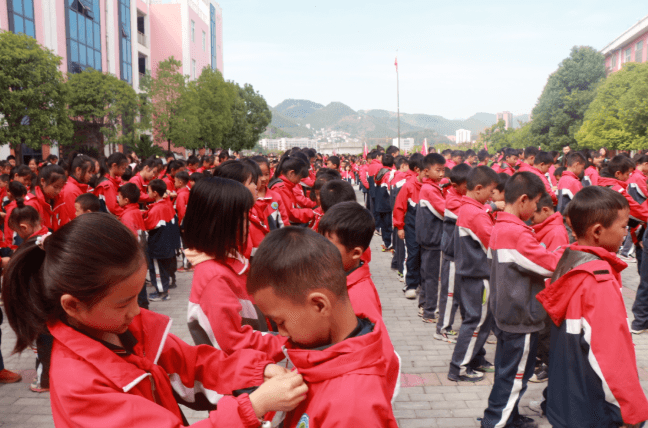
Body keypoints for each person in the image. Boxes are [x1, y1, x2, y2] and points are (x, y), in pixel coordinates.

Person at [1, 213, 308, 427]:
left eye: (138, 296)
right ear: (73, 306)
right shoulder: (79, 385)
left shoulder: (123, 326)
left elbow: (193, 362)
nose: (137, 311)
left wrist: (259, 370)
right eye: (124, 302)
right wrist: (252, 408)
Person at [247, 227, 400, 427]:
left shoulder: (352, 411)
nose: (282, 334)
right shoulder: (322, 354)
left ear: (319, 305)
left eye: (281, 322)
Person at [536, 186, 648, 427]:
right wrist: (632, 410)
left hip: (565, 399)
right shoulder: (599, 280)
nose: (626, 233)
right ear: (598, 231)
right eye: (623, 226)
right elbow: (611, 354)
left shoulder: (568, 262)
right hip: (591, 407)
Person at [481, 172, 559, 428]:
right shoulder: (516, 233)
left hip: (506, 313)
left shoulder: (500, 226)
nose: (537, 207)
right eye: (536, 202)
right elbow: (549, 265)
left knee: (510, 373)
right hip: (520, 316)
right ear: (524, 200)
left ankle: (509, 417)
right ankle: (496, 422)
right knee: (514, 377)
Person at [183, 177, 286, 362]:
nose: (248, 222)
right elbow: (234, 343)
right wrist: (288, 343)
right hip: (242, 378)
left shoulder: (228, 263)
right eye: (244, 216)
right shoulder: (214, 278)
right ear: (221, 223)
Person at [318, 201, 402, 402]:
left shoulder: (358, 298)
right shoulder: (341, 279)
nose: (318, 251)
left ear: (355, 253)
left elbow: (367, 355)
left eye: (327, 246)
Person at [447, 166, 500, 382]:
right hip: (478, 276)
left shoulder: (470, 209)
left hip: (469, 273)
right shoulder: (476, 214)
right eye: (491, 192)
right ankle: (458, 368)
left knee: (476, 320)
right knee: (476, 321)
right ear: (478, 189)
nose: (492, 197)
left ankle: (471, 360)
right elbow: (494, 244)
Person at [528, 192, 569, 385]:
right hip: (540, 292)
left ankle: (550, 367)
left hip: (548, 293)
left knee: (546, 335)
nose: (531, 219)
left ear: (545, 210)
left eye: (534, 215)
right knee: (541, 333)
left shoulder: (556, 232)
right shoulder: (543, 228)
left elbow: (556, 266)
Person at [435, 163, 471, 343]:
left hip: (462, 255)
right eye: (467, 185)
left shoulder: (463, 198)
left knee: (461, 293)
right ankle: (442, 328)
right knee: (450, 294)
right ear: (456, 185)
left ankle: (462, 325)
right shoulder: (453, 200)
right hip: (452, 254)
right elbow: (469, 214)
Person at [415, 153, 446, 322]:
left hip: (427, 238)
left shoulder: (429, 187)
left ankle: (424, 306)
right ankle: (429, 311)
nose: (442, 174)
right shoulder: (430, 190)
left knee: (427, 274)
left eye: (443, 170)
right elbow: (445, 210)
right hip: (432, 239)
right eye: (438, 170)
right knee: (432, 277)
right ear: (426, 171)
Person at [393, 153, 425, 299]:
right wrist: (400, 227)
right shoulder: (409, 186)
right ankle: (410, 284)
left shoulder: (432, 187)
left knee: (424, 256)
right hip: (411, 227)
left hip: (427, 229)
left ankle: (422, 283)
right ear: (419, 170)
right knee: (413, 254)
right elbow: (399, 207)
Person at [144, 179, 181, 302]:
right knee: (163, 269)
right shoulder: (167, 204)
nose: (147, 193)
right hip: (168, 244)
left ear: (155, 193)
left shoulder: (156, 209)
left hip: (158, 246)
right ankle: (163, 290)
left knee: (157, 270)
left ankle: (162, 293)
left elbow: (148, 225)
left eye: (148, 190)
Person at [269, 155, 314, 226]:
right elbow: (289, 213)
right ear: (291, 173)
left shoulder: (286, 185)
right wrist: (313, 213)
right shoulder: (280, 188)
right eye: (299, 178)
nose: (299, 181)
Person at [250, 156, 289, 230]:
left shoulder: (275, 197)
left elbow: (284, 222)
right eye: (259, 175)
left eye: (266, 174)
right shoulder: (247, 198)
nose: (264, 179)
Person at [26, 164, 66, 231]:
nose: (58, 191)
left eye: (61, 188)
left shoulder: (58, 200)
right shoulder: (31, 204)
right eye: (55, 187)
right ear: (43, 181)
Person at [60, 153, 95, 227]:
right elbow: (76, 218)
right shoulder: (71, 190)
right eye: (89, 172)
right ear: (78, 170)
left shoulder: (77, 187)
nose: (91, 176)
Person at [375, 154, 395, 251]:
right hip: (387, 203)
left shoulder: (380, 172)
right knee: (389, 224)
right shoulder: (390, 174)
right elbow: (390, 190)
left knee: (383, 224)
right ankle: (390, 244)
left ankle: (385, 243)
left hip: (379, 203)